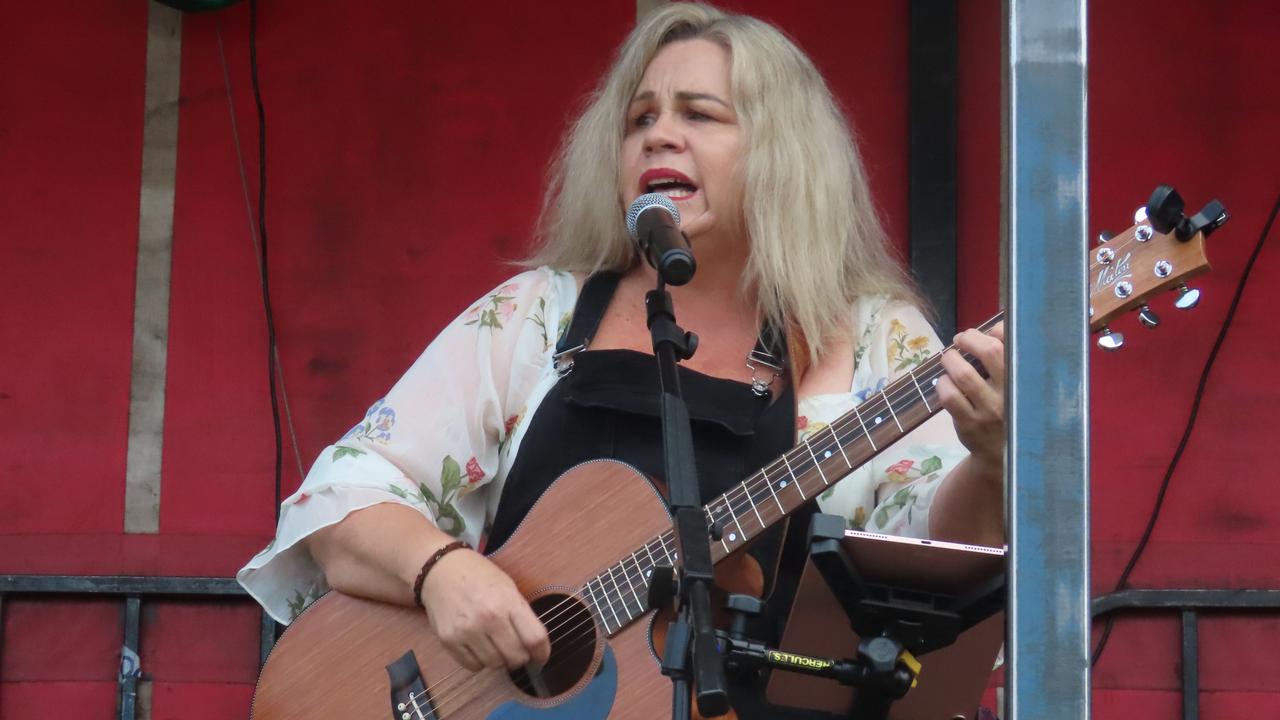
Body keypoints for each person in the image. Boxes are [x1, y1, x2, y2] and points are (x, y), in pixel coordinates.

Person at [239, 3, 1005, 717]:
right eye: (640, 117)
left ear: (783, 152)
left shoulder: (873, 338)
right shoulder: (541, 313)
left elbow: (929, 580)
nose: (657, 135)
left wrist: (991, 461)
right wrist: (441, 572)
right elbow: (343, 497)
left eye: (698, 114)